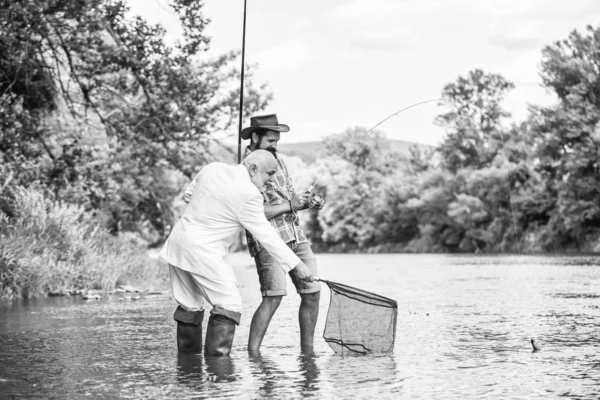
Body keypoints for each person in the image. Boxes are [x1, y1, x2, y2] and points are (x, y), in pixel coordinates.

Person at [159, 149, 315, 356]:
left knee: (190, 305)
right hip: (203, 251)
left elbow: (189, 195)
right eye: (269, 173)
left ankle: (189, 374)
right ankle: (219, 374)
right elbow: (267, 236)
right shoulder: (249, 195)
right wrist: (298, 266)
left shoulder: (212, 168)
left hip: (179, 242)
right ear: (252, 169)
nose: (271, 180)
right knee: (229, 305)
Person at [241, 114, 323, 353]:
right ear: (255, 137)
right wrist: (290, 205)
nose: (275, 145)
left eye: (277, 140)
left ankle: (307, 354)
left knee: (313, 292)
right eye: (270, 140)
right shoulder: (245, 169)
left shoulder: (279, 161)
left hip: (295, 235)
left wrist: (306, 202)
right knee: (273, 297)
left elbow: (289, 198)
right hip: (267, 239)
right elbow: (253, 214)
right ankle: (253, 354)